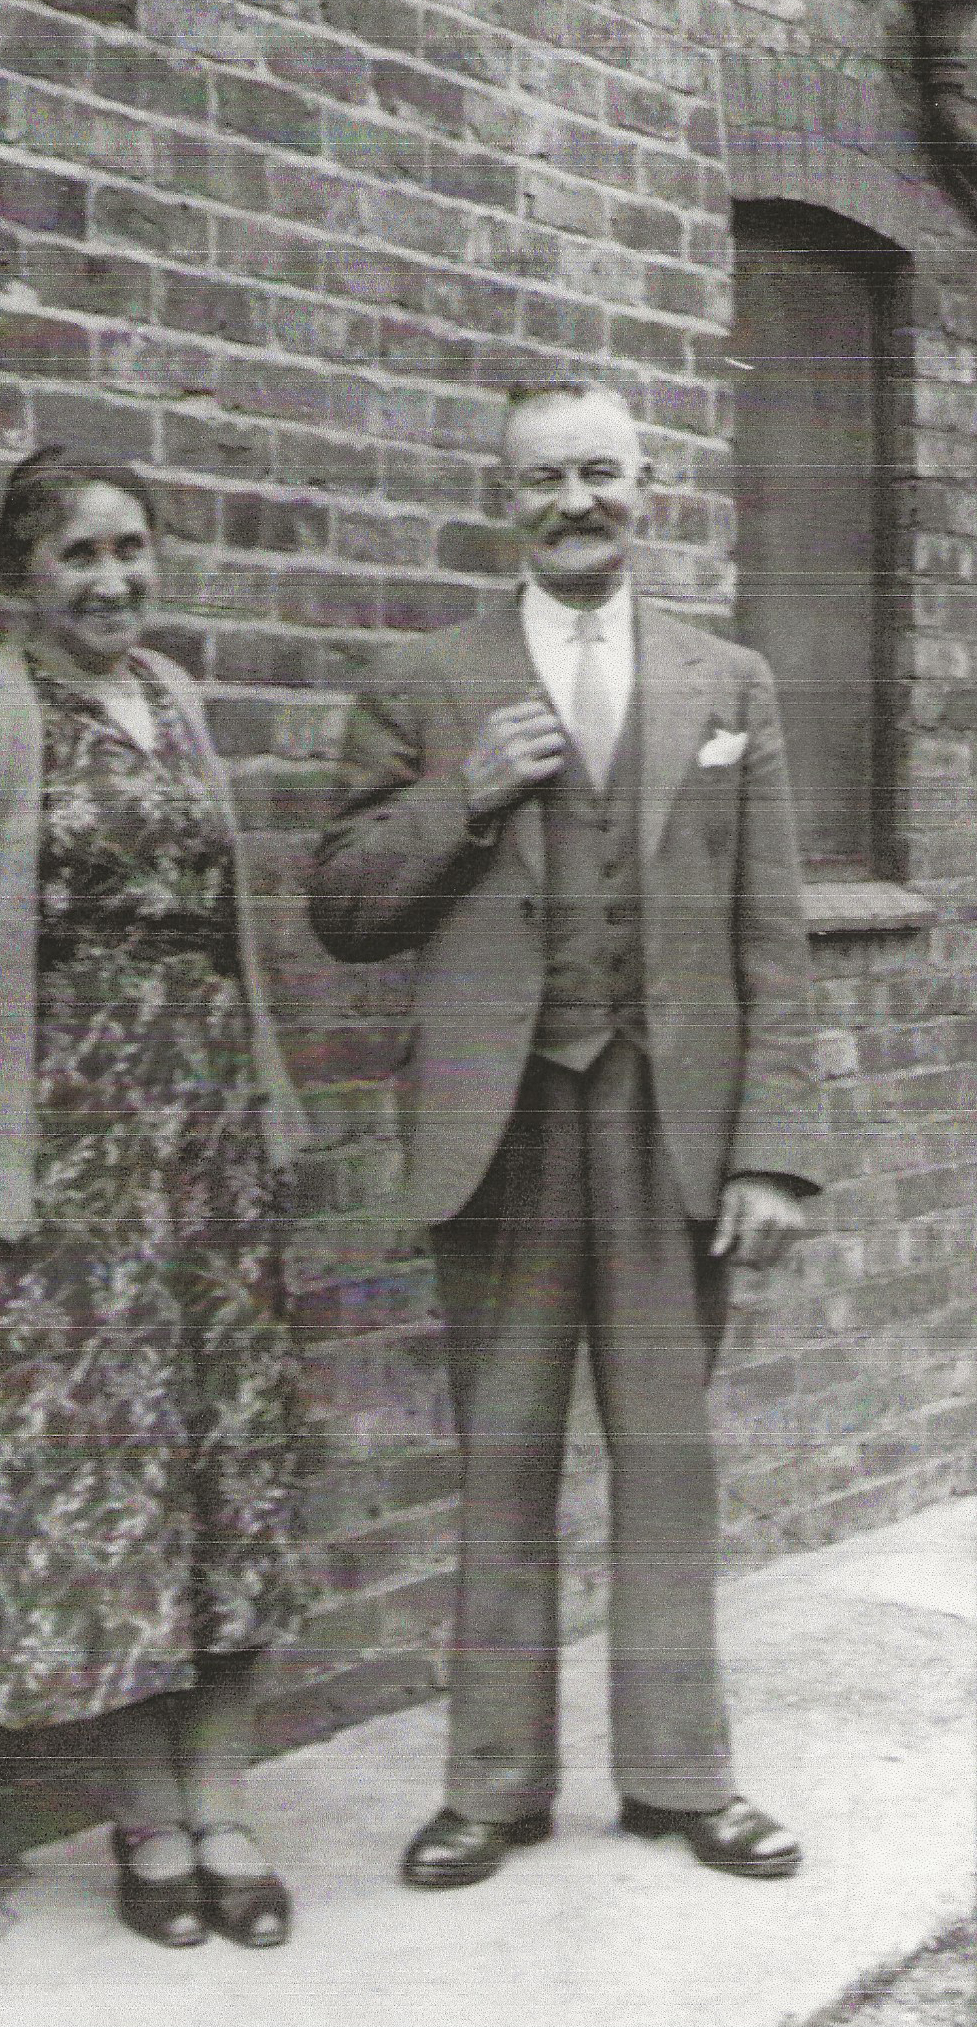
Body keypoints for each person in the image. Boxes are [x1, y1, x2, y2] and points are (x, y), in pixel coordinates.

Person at [310, 379, 824, 1891]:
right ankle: (494, 1786)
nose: (576, 503)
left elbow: (772, 934)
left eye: (600, 472)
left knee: (669, 1455)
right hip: (504, 1119)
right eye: (544, 480)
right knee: (505, 1452)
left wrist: (773, 1149)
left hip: (674, 1121)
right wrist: (463, 797)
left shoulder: (730, 681)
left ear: (646, 487)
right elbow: (343, 909)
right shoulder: (425, 682)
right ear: (506, 501)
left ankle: (681, 1776)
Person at [0, 446, 310, 1951]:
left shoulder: (176, 696)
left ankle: (227, 1807)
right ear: (22, 577)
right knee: (102, 1485)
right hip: (62, 1174)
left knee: (221, 1469)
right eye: (79, 555)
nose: (113, 580)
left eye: (131, 549)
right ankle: (149, 1824)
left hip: (207, 1154)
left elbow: (223, 929)